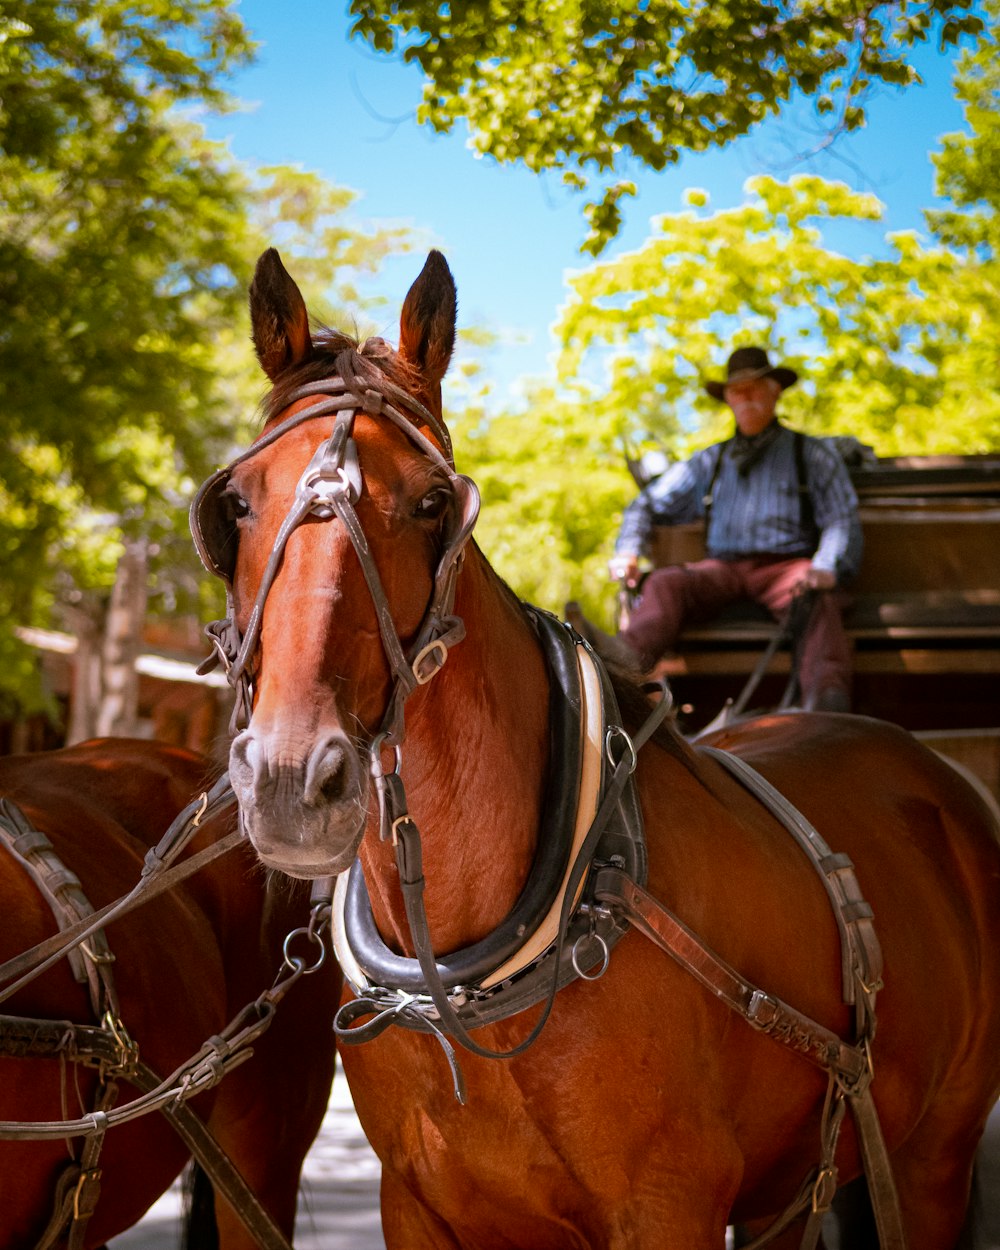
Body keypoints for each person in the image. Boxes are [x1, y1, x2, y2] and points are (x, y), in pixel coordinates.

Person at [570, 346, 863, 712]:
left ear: (775, 391)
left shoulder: (812, 455)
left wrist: (825, 567)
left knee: (815, 599)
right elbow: (645, 503)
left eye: (756, 387)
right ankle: (618, 664)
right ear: (727, 397)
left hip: (786, 568)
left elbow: (841, 518)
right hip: (722, 568)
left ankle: (826, 705)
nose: (746, 396)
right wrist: (628, 551)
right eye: (737, 389)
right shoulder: (709, 461)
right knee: (664, 583)